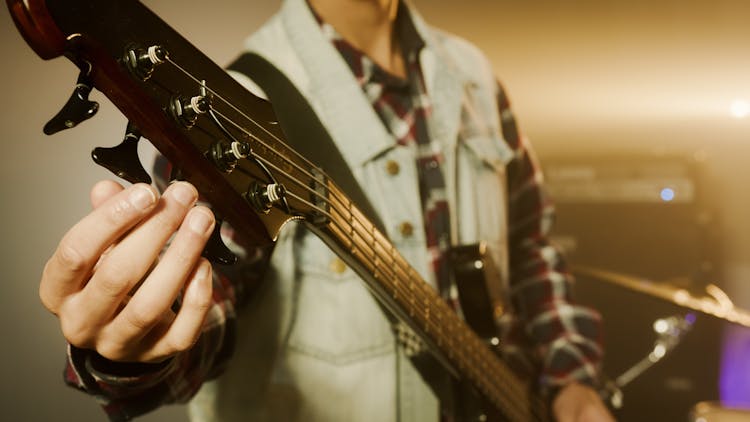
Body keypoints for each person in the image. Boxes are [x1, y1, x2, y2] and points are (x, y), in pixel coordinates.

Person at [39, 0, 615, 421]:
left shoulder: (475, 77)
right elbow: (206, 307)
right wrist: (132, 347)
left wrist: (571, 380)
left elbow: (533, 248)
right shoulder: (235, 109)